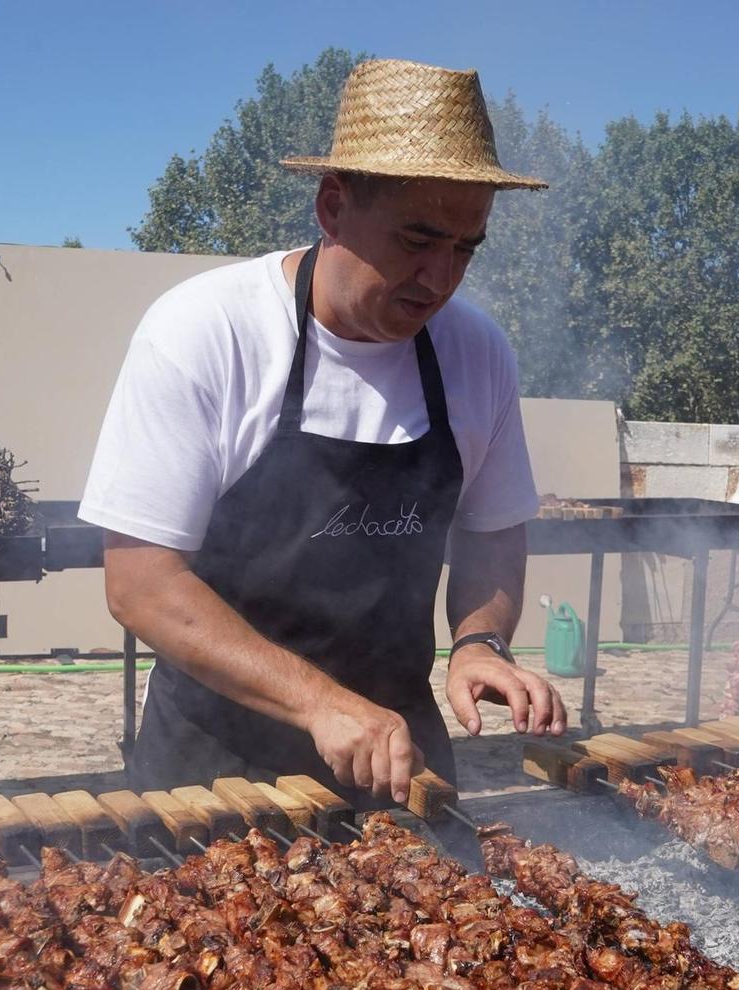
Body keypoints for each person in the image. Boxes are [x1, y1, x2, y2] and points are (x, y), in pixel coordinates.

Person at [81, 59, 566, 806]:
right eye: (418, 239)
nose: (440, 278)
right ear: (333, 206)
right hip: (213, 773)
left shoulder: (477, 353)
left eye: (466, 248)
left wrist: (479, 641)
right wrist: (320, 703)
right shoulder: (207, 330)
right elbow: (140, 582)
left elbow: (493, 532)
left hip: (401, 762)